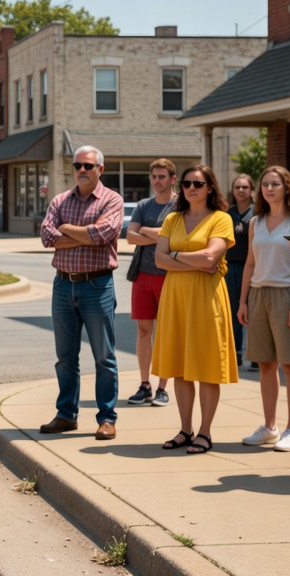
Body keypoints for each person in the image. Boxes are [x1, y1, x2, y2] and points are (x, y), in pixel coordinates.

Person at [38, 145, 124, 440]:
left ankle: (107, 418)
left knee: (104, 356)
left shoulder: (112, 200)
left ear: (101, 169)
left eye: (88, 166)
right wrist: (83, 234)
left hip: (97, 285)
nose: (82, 170)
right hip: (63, 284)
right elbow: (47, 237)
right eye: (78, 165)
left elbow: (102, 235)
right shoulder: (60, 199)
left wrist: (66, 228)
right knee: (65, 357)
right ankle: (66, 415)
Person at [152, 164, 238, 455]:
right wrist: (190, 259)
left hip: (206, 298)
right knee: (180, 367)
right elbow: (159, 260)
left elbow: (212, 256)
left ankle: (205, 432)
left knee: (207, 367)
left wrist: (175, 255)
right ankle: (185, 429)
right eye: (187, 183)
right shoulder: (173, 218)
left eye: (198, 184)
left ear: (210, 187)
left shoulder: (221, 218)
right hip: (175, 297)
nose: (191, 188)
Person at [236, 166, 290, 452]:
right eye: (265, 184)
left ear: (286, 187)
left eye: (275, 184)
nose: (269, 189)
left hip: (287, 295)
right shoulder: (256, 221)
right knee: (266, 364)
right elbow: (251, 264)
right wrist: (243, 301)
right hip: (258, 295)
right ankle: (269, 427)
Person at [124, 158, 177, 408]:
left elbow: (175, 237)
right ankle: (145, 385)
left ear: (172, 179)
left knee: (166, 332)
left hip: (169, 276)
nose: (157, 181)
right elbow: (130, 238)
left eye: (162, 177)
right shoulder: (144, 205)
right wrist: (156, 235)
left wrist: (145, 230)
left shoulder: (180, 205)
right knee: (144, 331)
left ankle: (163, 388)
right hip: (143, 276)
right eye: (154, 177)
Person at [225, 174, 255, 367]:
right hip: (231, 268)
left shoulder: (258, 213)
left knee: (254, 311)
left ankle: (256, 356)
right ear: (233, 191)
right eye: (238, 187)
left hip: (253, 267)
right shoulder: (228, 214)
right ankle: (235, 353)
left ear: (251, 190)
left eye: (245, 187)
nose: (241, 190)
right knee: (234, 311)